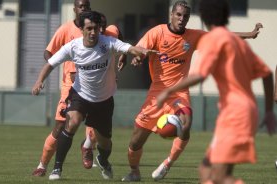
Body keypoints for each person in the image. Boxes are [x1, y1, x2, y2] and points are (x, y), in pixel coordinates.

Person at [121, 0, 264, 182]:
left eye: (185, 16)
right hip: (156, 93)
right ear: (171, 15)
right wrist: (138, 57)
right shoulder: (157, 32)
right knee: (135, 142)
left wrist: (250, 35)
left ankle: (167, 163)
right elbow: (141, 48)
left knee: (186, 124)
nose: (182, 19)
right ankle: (134, 171)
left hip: (179, 93)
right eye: (178, 15)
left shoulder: (193, 36)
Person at [156, 0, 276, 183]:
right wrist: (268, 111)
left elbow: (200, 75)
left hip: (235, 113)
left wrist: (168, 90)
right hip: (245, 111)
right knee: (206, 171)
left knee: (218, 175)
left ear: (203, 17)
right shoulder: (237, 43)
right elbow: (267, 74)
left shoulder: (215, 41)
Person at [32, 11, 158, 181]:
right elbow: (50, 63)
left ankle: (103, 160)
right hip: (80, 95)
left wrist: (141, 51)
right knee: (71, 124)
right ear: (82, 30)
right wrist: (39, 81)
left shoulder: (108, 43)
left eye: (96, 29)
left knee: (105, 143)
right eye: (89, 28)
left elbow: (128, 48)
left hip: (103, 100)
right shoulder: (72, 47)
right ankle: (57, 169)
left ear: (100, 29)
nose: (93, 32)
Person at [32, 0, 91, 177]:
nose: (84, 9)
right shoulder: (66, 29)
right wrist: (58, 62)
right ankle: (43, 165)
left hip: (92, 86)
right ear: (74, 9)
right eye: (81, 6)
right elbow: (48, 52)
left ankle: (87, 146)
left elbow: (114, 38)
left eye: (87, 6)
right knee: (59, 127)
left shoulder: (96, 29)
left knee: (97, 128)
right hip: (70, 87)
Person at [80, 11, 127, 169]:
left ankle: (88, 145)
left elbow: (120, 37)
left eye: (102, 25)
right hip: (88, 87)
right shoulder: (88, 40)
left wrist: (123, 56)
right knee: (95, 119)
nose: (99, 29)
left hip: (108, 84)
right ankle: (87, 146)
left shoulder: (111, 33)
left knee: (101, 123)